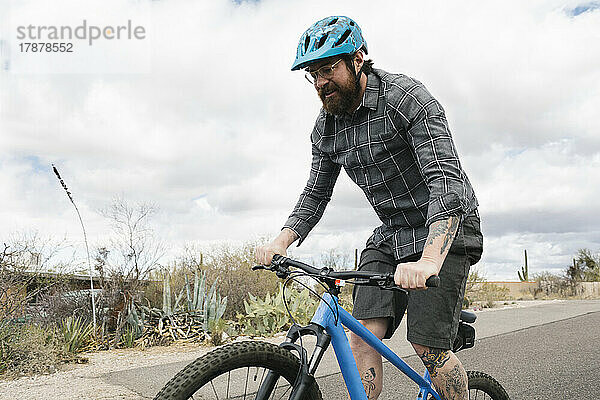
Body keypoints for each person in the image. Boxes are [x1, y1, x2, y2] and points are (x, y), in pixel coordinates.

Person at [255, 15, 483, 400]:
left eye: (328, 68)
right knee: (361, 335)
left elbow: (446, 181)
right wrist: (281, 241)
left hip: (446, 230)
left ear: (358, 58)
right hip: (391, 233)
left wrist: (428, 261)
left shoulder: (406, 99)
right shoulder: (326, 127)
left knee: (428, 347)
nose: (321, 81)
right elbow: (315, 193)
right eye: (313, 73)